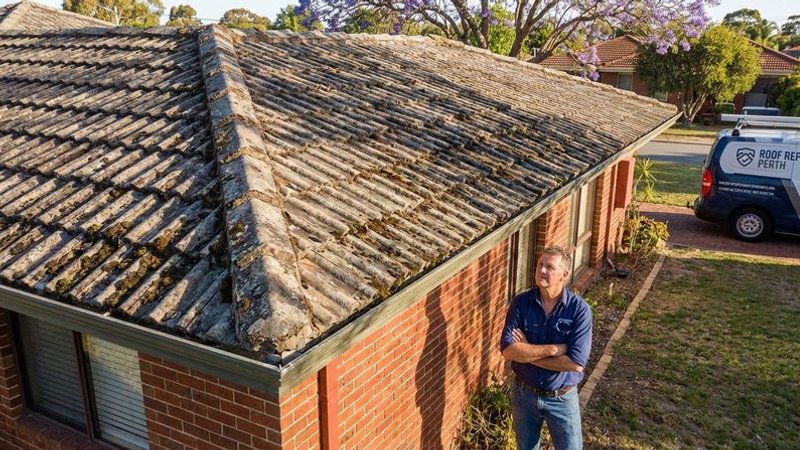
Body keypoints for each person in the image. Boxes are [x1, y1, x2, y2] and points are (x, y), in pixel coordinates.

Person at [500, 245, 593, 450]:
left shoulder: (579, 311)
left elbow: (575, 363)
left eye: (549, 267)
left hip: (562, 398)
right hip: (524, 394)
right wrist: (553, 350)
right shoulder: (521, 303)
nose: (542, 270)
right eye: (540, 264)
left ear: (564, 275)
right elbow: (508, 349)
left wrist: (526, 352)